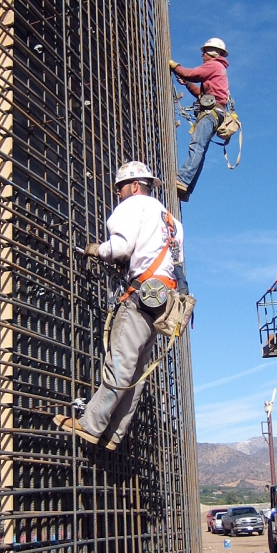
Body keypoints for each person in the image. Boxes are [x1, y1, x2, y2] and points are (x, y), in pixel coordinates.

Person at [55, 161, 184, 450]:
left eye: (120, 188)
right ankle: (114, 434)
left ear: (135, 186)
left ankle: (90, 425)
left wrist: (98, 250)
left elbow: (122, 247)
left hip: (140, 295)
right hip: (163, 300)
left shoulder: (133, 206)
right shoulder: (171, 220)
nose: (118, 194)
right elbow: (173, 262)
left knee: (121, 362)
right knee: (136, 371)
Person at [170, 37, 230, 200]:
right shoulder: (218, 69)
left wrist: (175, 66)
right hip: (216, 112)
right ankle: (186, 188)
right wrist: (187, 84)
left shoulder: (214, 65)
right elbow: (201, 94)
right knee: (200, 149)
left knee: (197, 145)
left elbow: (191, 73)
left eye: (204, 52)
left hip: (211, 113)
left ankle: (182, 180)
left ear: (211, 52)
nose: (202, 55)